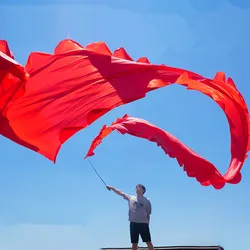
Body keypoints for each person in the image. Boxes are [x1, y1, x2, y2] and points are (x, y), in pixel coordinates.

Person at [106, 184, 154, 250]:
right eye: (136, 187)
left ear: (143, 190)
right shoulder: (131, 197)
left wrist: (147, 224)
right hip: (133, 224)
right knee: (134, 243)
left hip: (144, 224)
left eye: (139, 187)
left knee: (148, 242)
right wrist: (111, 187)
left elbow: (148, 214)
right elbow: (120, 193)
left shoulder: (147, 200)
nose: (137, 188)